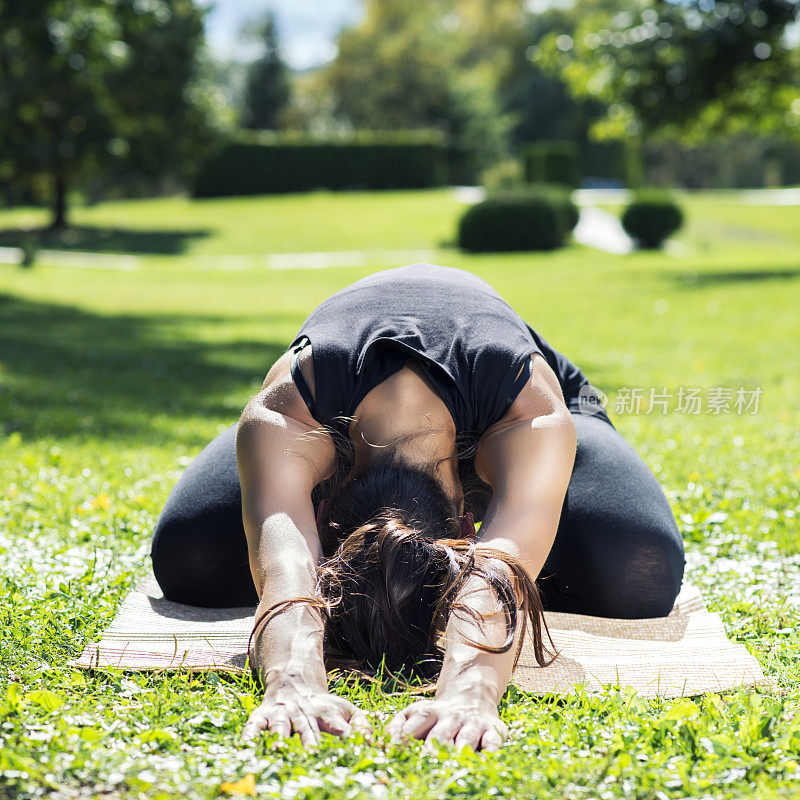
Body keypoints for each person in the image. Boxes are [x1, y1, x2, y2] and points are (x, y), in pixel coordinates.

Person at [150, 264, 685, 751]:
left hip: (549, 402)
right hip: (313, 420)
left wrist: (471, 692)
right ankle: (282, 469)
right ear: (320, 510)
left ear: (469, 526)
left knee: (638, 569)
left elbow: (501, 561)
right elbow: (289, 567)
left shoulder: (530, 411)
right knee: (191, 560)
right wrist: (291, 681)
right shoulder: (287, 407)